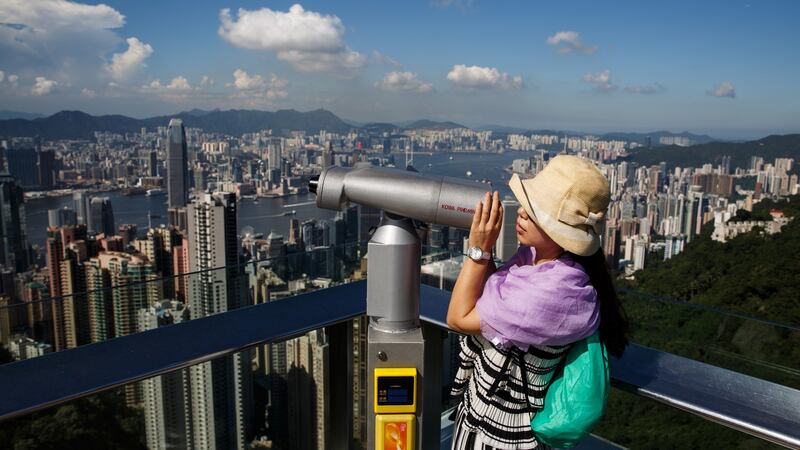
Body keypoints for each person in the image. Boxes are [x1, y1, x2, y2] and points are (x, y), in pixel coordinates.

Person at [446, 155, 629, 450]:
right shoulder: (534, 263)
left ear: (562, 232)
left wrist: (479, 248)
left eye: (536, 210)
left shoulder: (551, 293)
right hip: (478, 420)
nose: (522, 213)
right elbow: (492, 302)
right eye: (527, 204)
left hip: (504, 438)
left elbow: (458, 318)